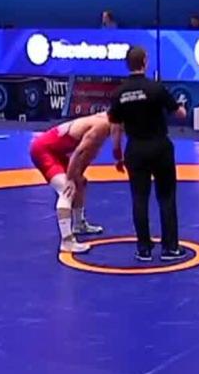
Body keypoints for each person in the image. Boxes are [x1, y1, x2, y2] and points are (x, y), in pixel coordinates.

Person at [108, 46, 187, 261]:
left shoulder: (118, 93)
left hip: (135, 148)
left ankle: (143, 248)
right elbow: (180, 114)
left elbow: (115, 127)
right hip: (159, 146)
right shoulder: (155, 88)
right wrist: (182, 106)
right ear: (145, 62)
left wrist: (117, 153)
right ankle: (170, 247)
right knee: (166, 196)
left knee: (139, 197)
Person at [29, 113, 111, 253]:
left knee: (79, 182)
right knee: (66, 190)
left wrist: (77, 176)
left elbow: (88, 154)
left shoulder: (105, 122)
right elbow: (78, 153)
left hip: (56, 151)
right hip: (43, 150)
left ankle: (79, 224)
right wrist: (70, 179)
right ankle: (66, 241)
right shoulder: (102, 126)